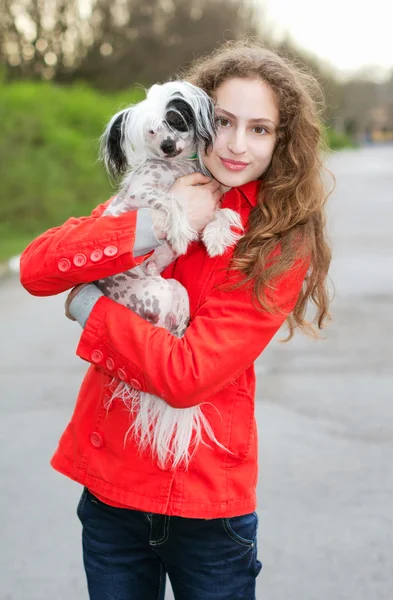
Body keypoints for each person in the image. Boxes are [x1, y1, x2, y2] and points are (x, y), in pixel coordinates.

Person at [20, 40, 332, 600]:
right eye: (227, 121)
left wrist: (92, 308)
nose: (237, 146)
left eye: (260, 129)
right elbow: (39, 268)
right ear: (197, 116)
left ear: (282, 141)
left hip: (209, 508)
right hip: (112, 494)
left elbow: (188, 376)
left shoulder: (279, 239)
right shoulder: (157, 187)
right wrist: (156, 226)